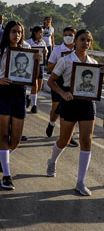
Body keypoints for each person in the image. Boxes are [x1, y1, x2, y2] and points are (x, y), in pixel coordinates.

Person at [0, 20, 38, 190]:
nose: (17, 35)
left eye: (20, 32)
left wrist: (36, 62)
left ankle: (4, 157)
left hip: (19, 94)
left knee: (15, 139)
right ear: (8, 33)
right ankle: (7, 175)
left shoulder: (28, 51)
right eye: (14, 31)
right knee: (3, 134)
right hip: (3, 93)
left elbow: (33, 80)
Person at [46, 29, 99, 196]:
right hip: (69, 101)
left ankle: (80, 181)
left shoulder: (93, 63)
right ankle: (52, 161)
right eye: (82, 39)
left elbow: (96, 84)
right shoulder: (65, 60)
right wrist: (63, 93)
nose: (86, 43)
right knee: (64, 140)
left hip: (87, 103)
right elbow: (51, 81)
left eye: (88, 41)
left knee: (86, 140)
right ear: (75, 41)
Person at [45, 27, 79, 147]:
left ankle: (67, 136)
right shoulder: (57, 50)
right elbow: (49, 67)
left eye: (71, 35)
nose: (68, 37)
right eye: (66, 35)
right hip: (58, 81)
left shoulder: (79, 50)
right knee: (56, 108)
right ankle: (51, 122)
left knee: (70, 111)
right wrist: (61, 62)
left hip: (72, 82)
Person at [26, 26, 47, 113]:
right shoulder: (28, 43)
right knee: (35, 85)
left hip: (40, 65)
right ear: (35, 33)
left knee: (39, 86)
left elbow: (45, 53)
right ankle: (34, 106)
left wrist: (45, 53)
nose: (42, 34)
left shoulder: (42, 42)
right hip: (32, 66)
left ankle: (29, 97)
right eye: (40, 33)